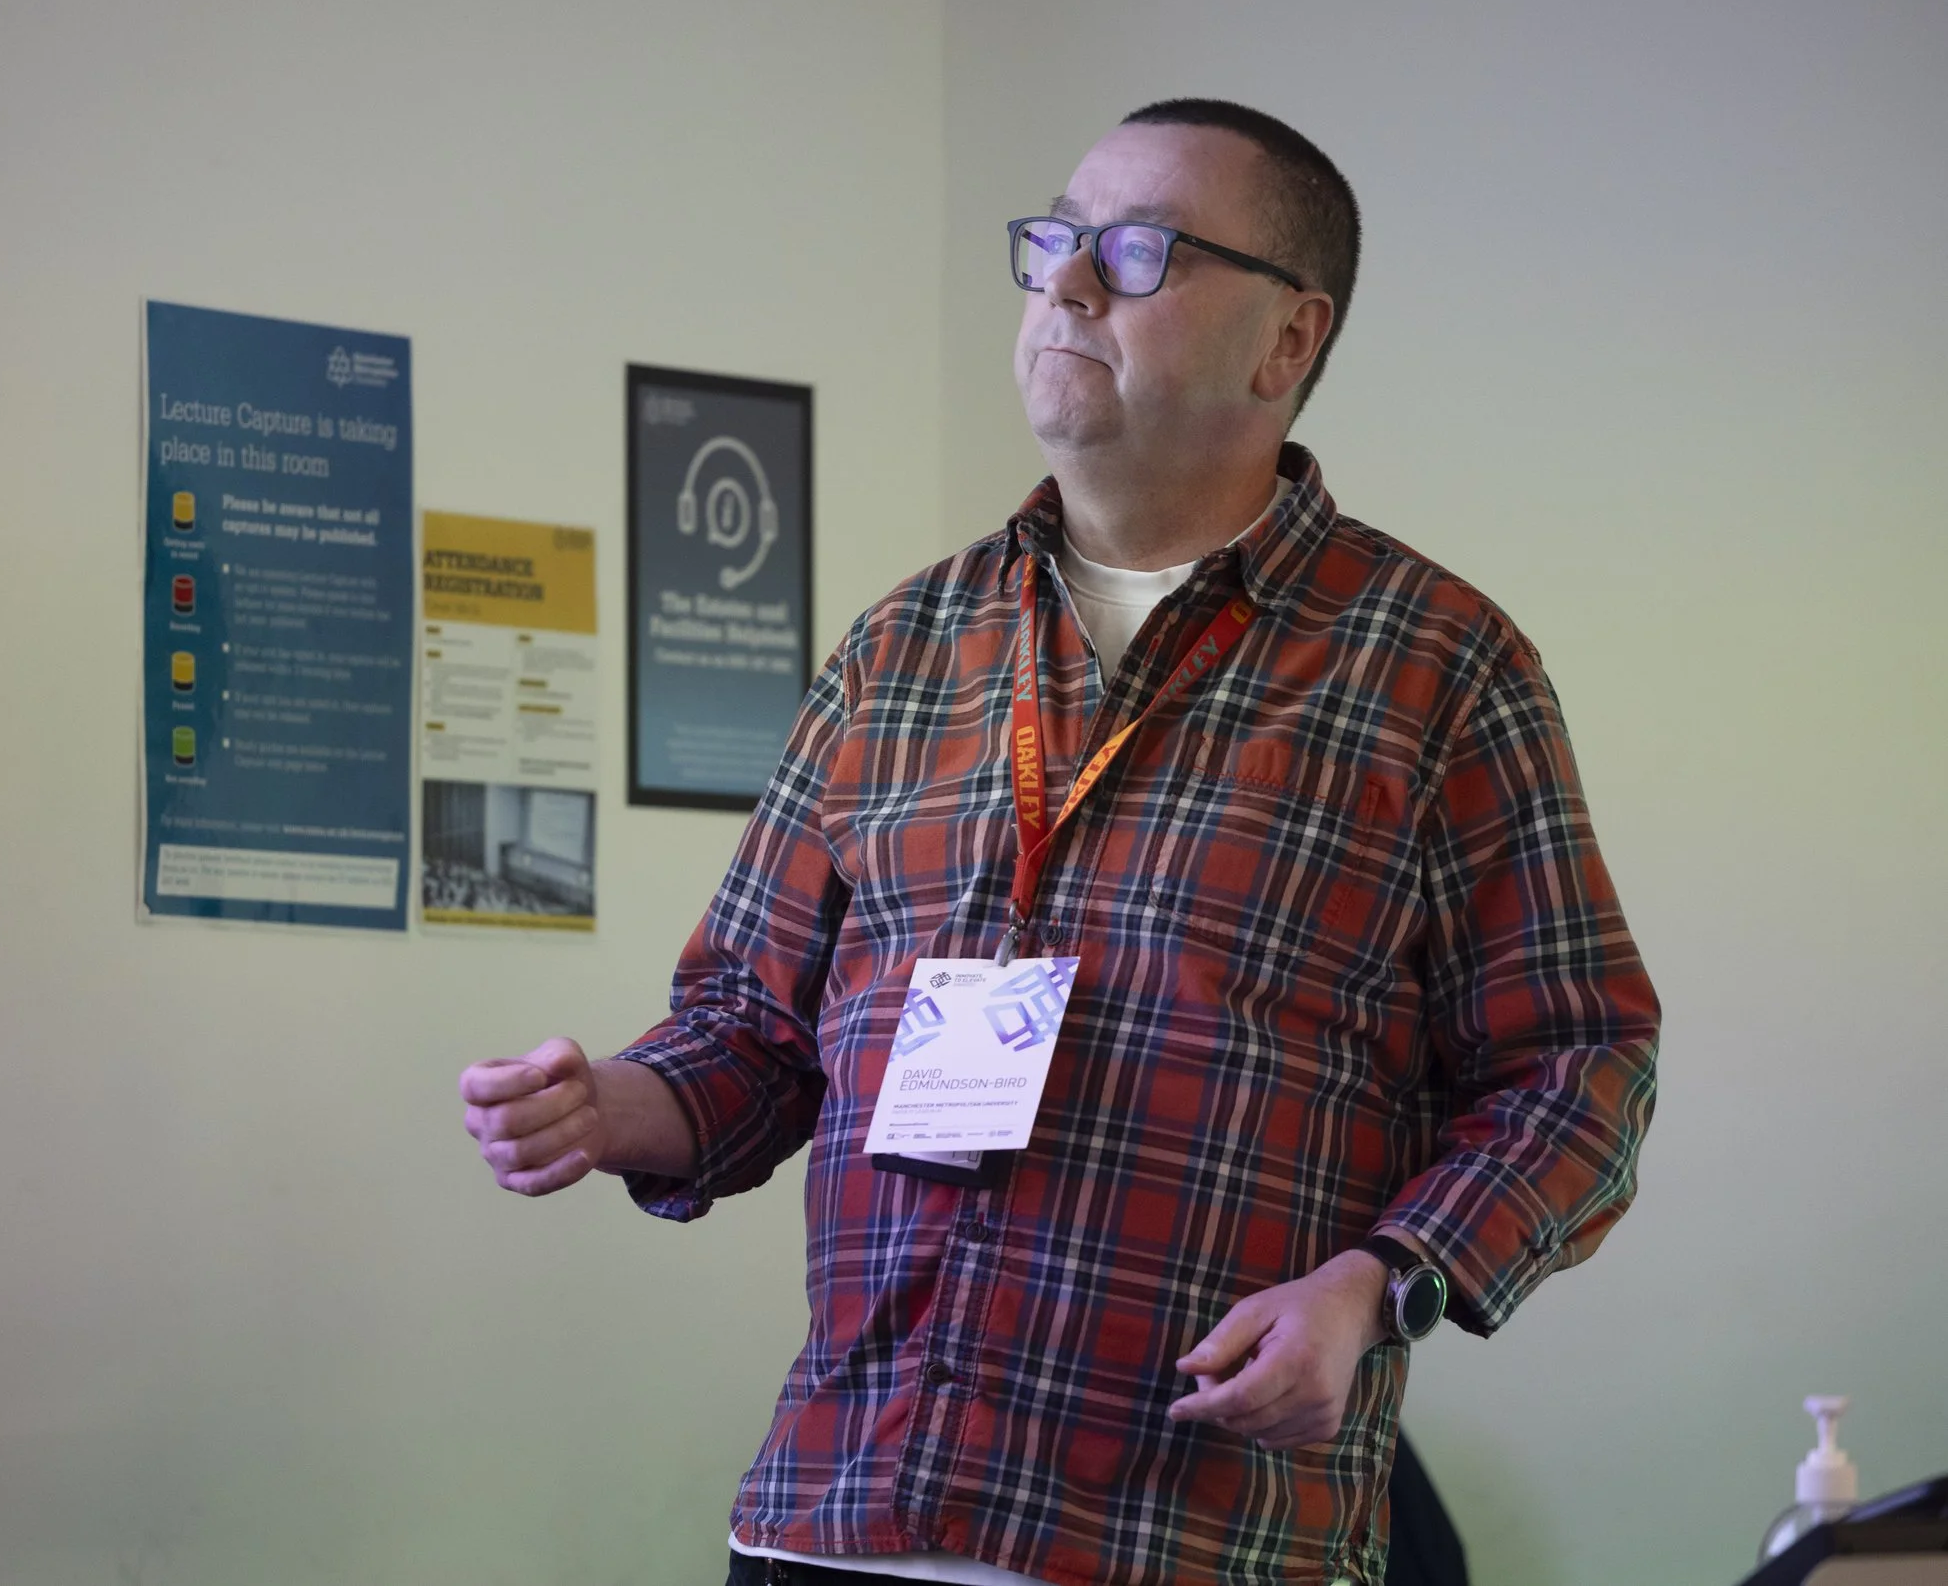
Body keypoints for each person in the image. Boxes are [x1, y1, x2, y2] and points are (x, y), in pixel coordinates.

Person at [458, 98, 1659, 1586]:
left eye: (1141, 251)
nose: (1068, 284)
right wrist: (614, 1103)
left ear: (1289, 343)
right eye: (1054, 241)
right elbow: (752, 1033)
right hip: (837, 1519)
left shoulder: (1435, 668)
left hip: (1188, 1534)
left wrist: (1379, 1286)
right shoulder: (901, 646)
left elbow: (1581, 1064)